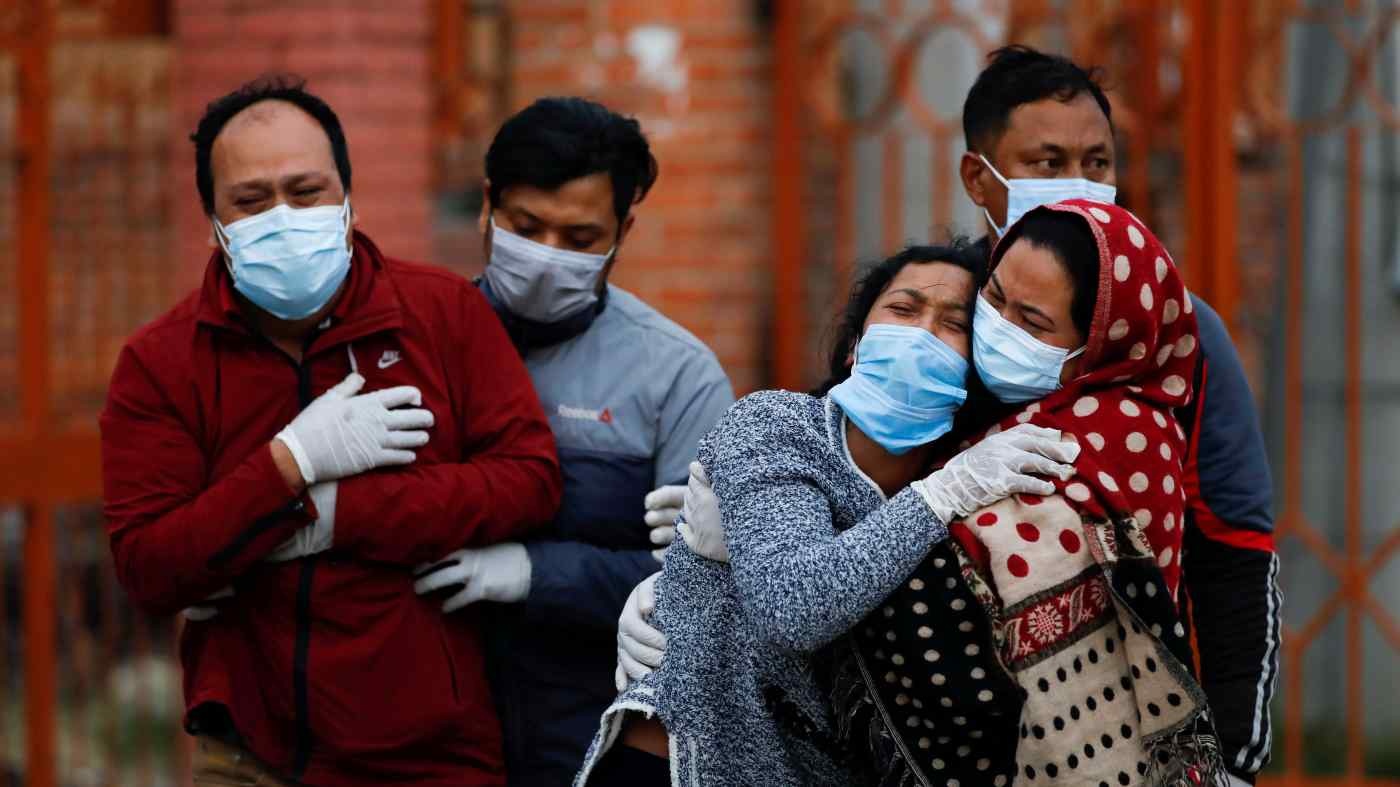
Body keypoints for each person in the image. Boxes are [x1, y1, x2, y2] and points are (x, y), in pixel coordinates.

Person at [100, 76, 561, 786]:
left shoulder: (440, 314)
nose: (282, 216)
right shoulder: (162, 362)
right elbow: (150, 566)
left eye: (306, 190)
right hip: (252, 752)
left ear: (346, 195)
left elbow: (530, 479)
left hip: (434, 751)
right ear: (213, 218)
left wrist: (339, 513)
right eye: (251, 201)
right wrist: (288, 462)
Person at [575, 242, 1082, 785]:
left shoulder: (976, 474)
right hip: (681, 764)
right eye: (903, 310)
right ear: (856, 347)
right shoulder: (776, 424)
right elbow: (795, 605)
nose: (921, 334)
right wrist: (940, 497)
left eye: (953, 323)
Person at [956, 46, 1278, 785]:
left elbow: (1233, 544)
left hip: (1137, 731)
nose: (1080, 182)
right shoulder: (938, 315)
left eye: (1097, 162)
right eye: (1047, 161)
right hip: (955, 728)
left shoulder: (1184, 334)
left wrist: (1234, 756)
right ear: (980, 176)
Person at [411, 97, 735, 786]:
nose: (547, 257)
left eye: (580, 237)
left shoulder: (674, 373)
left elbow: (702, 588)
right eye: (527, 227)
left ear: (624, 230)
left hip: (596, 735)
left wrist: (534, 572)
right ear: (487, 206)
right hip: (431, 733)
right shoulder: (418, 345)